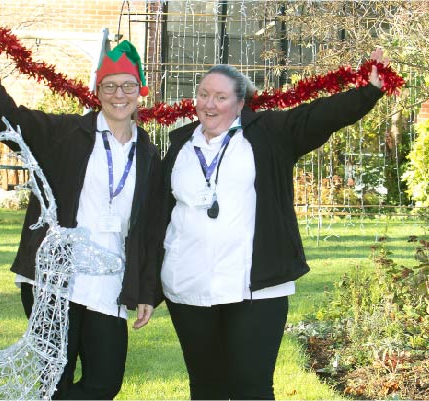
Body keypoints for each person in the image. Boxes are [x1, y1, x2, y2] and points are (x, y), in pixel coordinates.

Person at [154, 48, 388, 400]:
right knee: (206, 388)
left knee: (252, 387)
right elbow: (160, 215)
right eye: (203, 95)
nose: (209, 104)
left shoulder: (269, 133)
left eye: (220, 96)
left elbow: (319, 116)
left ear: (240, 103)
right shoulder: (180, 146)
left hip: (255, 289)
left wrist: (367, 92)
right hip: (188, 285)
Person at [0, 28, 160, 399]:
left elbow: (151, 231)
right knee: (54, 380)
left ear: (140, 92)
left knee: (104, 383)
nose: (118, 95)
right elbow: (5, 121)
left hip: (110, 282)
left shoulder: (149, 154)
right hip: (53, 281)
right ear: (97, 91)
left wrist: (147, 291)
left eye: (127, 87)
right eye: (109, 87)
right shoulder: (64, 133)